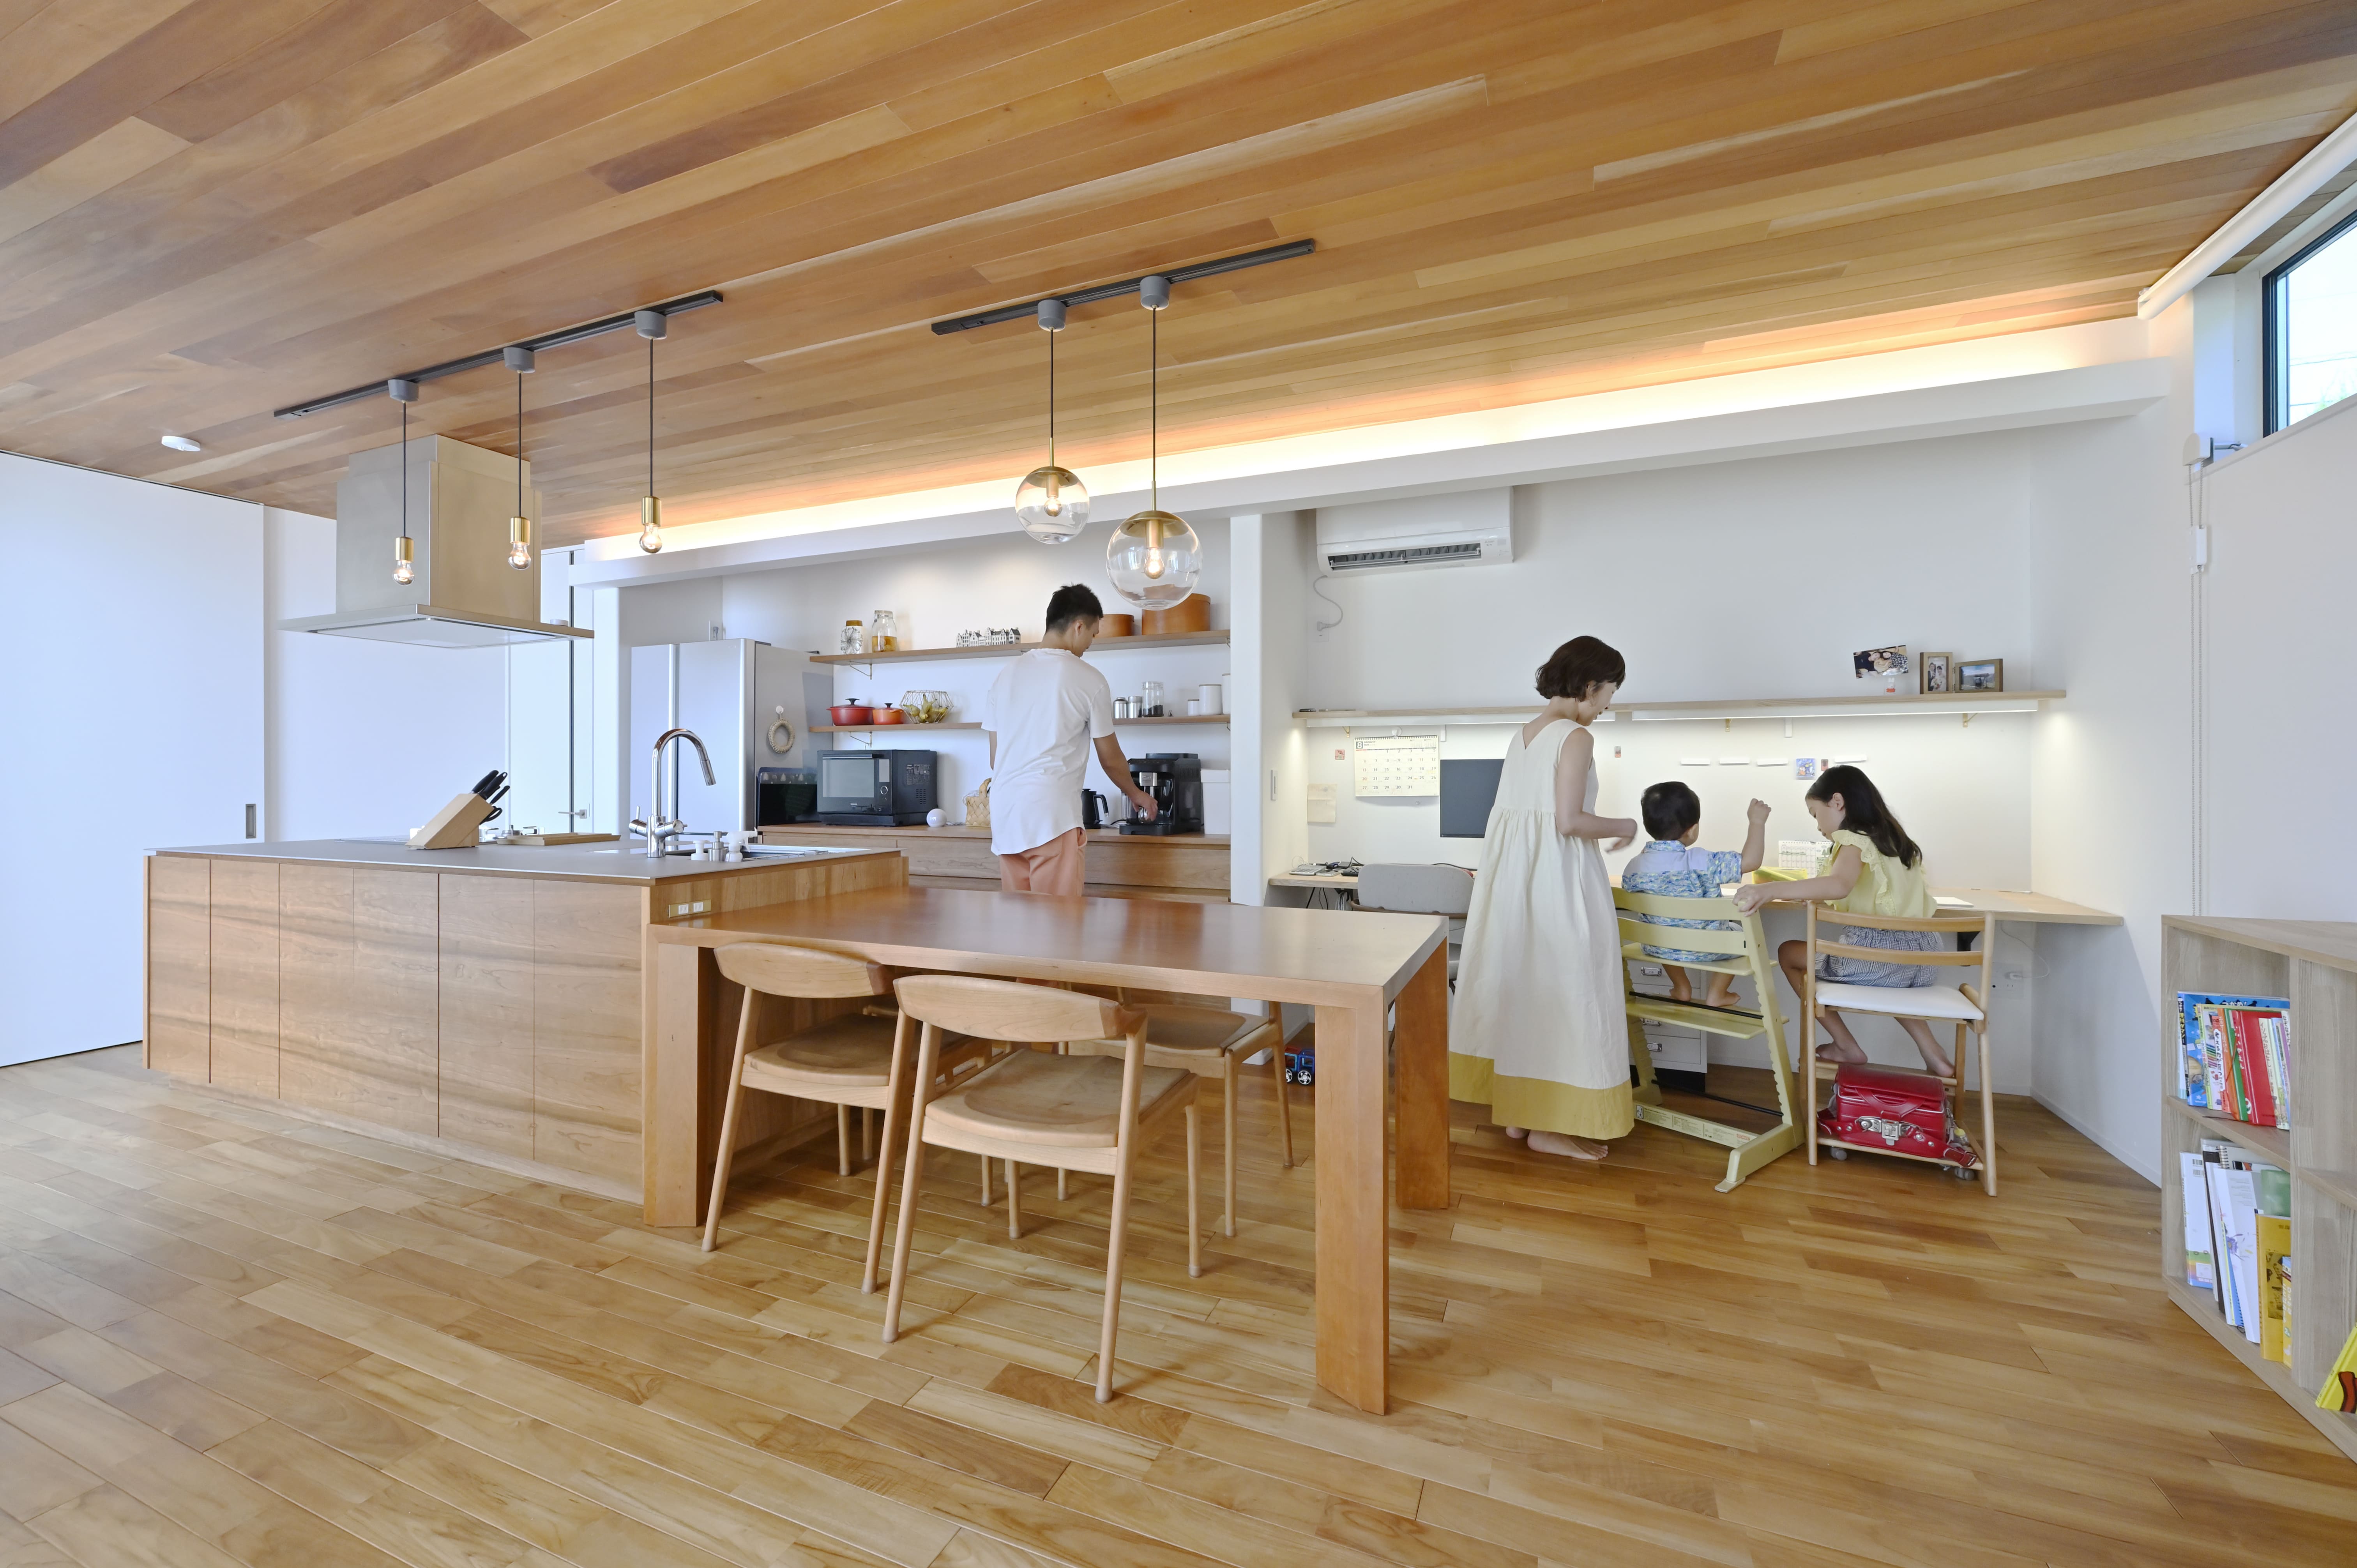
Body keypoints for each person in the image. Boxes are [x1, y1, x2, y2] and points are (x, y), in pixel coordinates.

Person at [1449, 636, 1637, 1162]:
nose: (1607, 706)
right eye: (1608, 694)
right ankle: (1550, 1128)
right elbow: (1568, 821)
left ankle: (1520, 1114)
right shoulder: (1575, 737)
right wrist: (1625, 824)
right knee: (1571, 994)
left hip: (1516, 884)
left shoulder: (1524, 735)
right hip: (1558, 881)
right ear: (1589, 686)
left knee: (1529, 993)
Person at [1733, 765, 1952, 1076]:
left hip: (1879, 960)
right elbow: (1867, 891)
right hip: (1923, 958)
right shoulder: (1896, 841)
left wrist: (1769, 890)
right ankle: (1935, 1054)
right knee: (1895, 983)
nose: (1818, 826)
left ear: (1837, 802)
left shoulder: (1854, 839)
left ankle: (1845, 1044)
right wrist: (1812, 892)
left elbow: (1839, 884)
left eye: (1815, 814)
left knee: (1788, 952)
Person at [979, 584, 1155, 895]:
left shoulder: (1005, 676)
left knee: (1016, 920)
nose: (1090, 644)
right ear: (1078, 627)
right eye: (1093, 634)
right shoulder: (1088, 678)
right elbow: (1110, 757)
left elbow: (996, 759)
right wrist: (1136, 793)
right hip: (1051, 817)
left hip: (1006, 817)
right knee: (1059, 921)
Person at [1621, 784, 1769, 1008]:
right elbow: (1751, 862)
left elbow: (1627, 886)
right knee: (1741, 936)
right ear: (1692, 830)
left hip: (1658, 947)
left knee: (1664, 931)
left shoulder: (1635, 867)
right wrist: (1757, 823)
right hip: (1710, 948)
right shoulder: (1702, 861)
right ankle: (1718, 993)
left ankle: (1682, 987)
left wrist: (1644, 855)